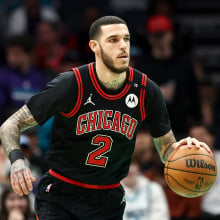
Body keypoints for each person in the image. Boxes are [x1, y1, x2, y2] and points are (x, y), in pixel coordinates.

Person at [0, 16, 212, 220]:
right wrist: (18, 161)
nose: (123, 46)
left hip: (108, 199)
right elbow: (11, 125)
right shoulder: (71, 84)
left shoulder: (147, 91)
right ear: (95, 47)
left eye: (126, 39)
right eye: (113, 40)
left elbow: (166, 150)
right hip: (62, 194)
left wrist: (183, 151)